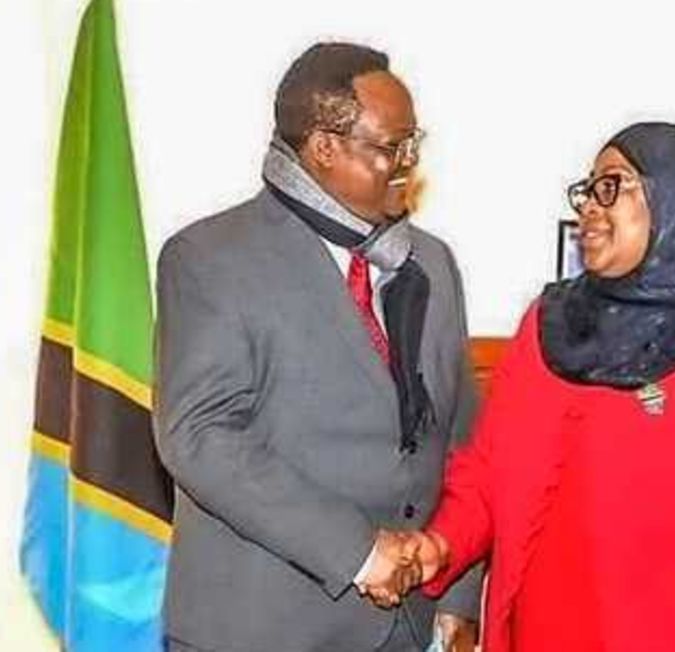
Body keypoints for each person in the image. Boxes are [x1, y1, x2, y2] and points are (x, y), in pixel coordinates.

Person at [409, 122, 675, 651]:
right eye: (588, 190)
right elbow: (489, 475)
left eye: (612, 185)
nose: (589, 206)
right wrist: (438, 545)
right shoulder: (548, 325)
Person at [153, 42, 480, 652]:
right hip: (260, 629)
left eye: (415, 143)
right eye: (390, 147)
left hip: (409, 628)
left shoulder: (432, 263)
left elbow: (462, 441)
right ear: (323, 147)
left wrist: (458, 590)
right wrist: (359, 552)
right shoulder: (210, 258)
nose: (408, 162)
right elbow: (199, 436)